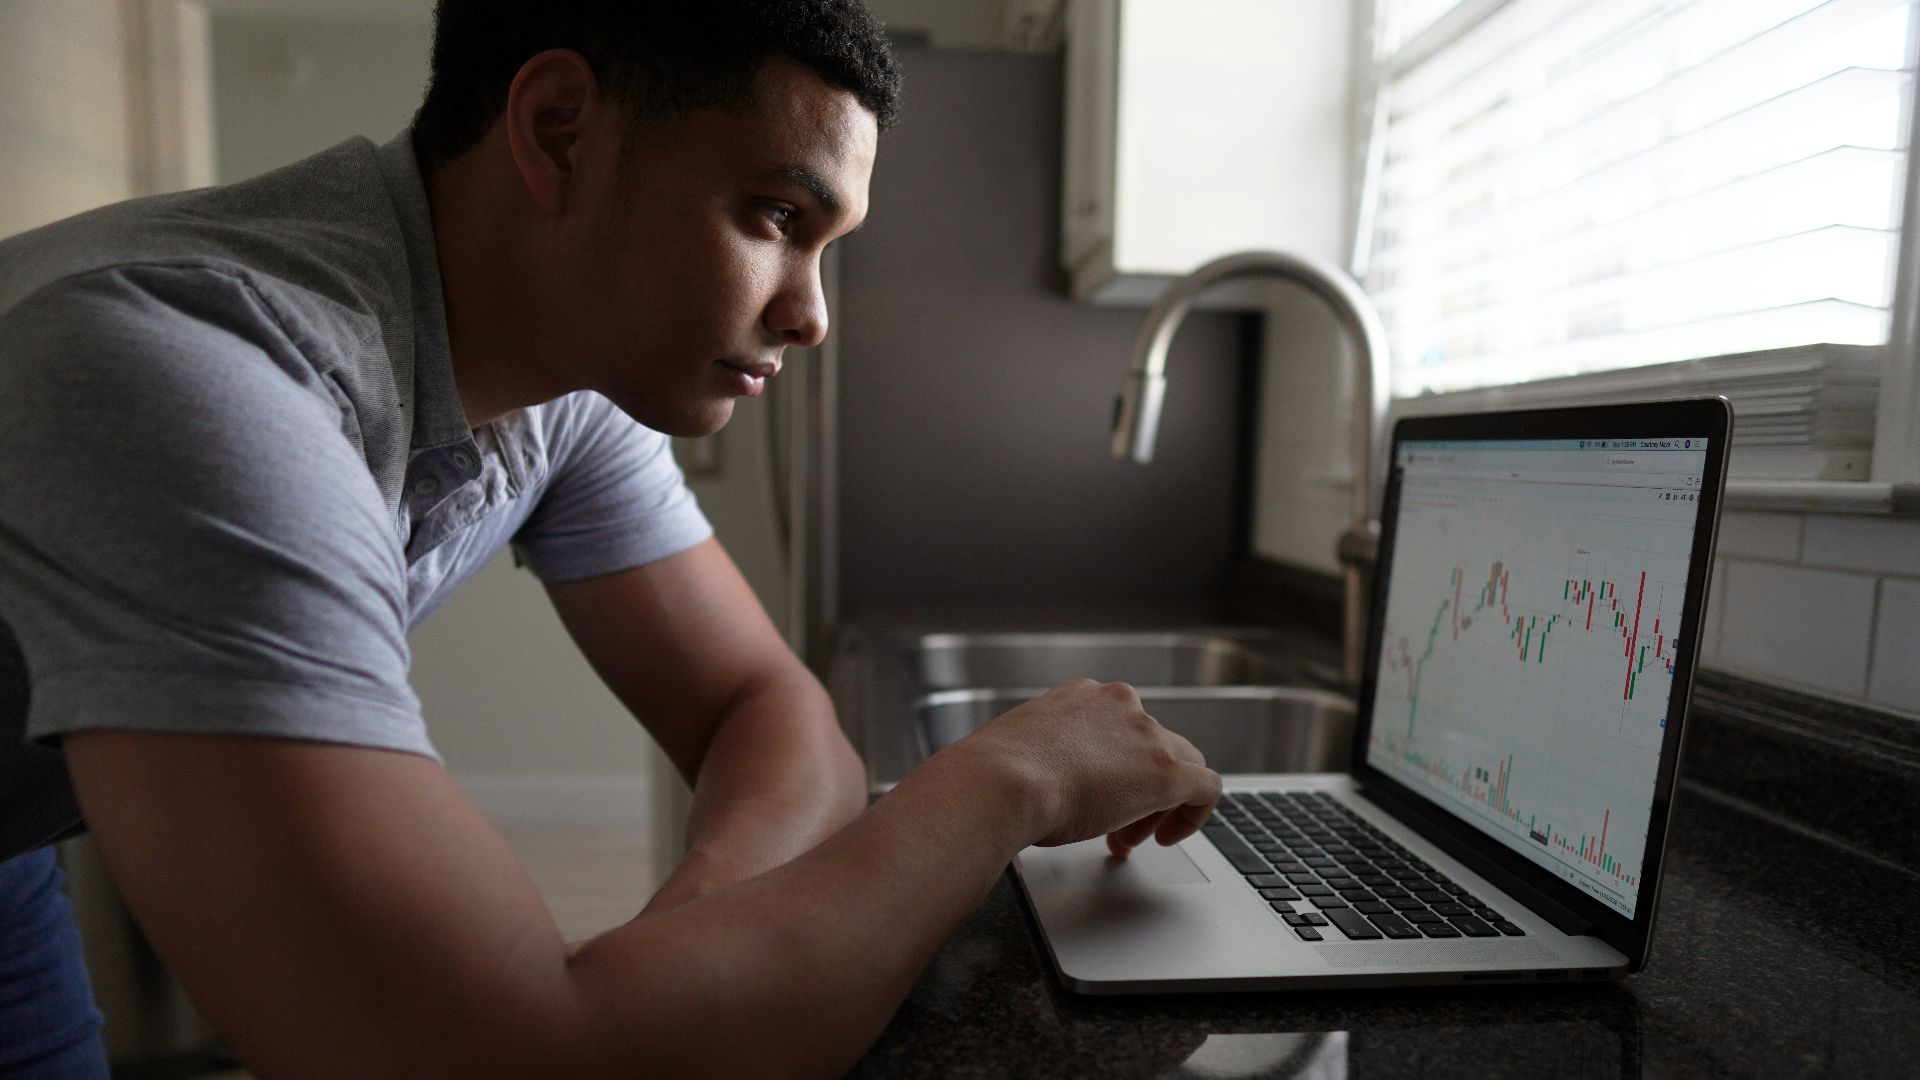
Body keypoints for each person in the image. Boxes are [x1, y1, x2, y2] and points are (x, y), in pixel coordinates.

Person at [0, 2, 1221, 1076]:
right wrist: (1012, 779)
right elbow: (498, 1061)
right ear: (559, 130)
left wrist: (685, 952)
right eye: (775, 216)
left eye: (825, 246)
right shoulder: (186, 369)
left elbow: (766, 708)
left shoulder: (560, 393)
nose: (809, 318)